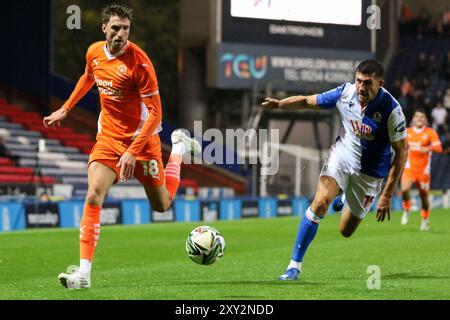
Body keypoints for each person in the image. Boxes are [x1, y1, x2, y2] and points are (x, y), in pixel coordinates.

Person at [43, 4, 201, 289]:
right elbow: (88, 77)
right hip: (108, 139)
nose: (120, 33)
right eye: (115, 27)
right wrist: (66, 108)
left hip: (142, 141)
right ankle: (84, 275)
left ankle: (177, 150)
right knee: (93, 194)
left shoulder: (139, 63)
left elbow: (156, 114)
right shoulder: (94, 51)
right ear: (104, 28)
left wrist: (132, 151)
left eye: (125, 28)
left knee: (162, 205)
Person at [262, 60, 407, 281]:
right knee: (320, 203)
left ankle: (343, 200)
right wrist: (280, 104)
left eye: (367, 83)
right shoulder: (344, 93)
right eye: (358, 80)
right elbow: (308, 101)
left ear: (380, 83)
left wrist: (386, 195)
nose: (361, 87)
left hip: (370, 174)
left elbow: (401, 153)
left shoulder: (392, 110)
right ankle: (294, 266)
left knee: (345, 231)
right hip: (342, 155)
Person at [400, 109, 442, 230]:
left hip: (423, 171)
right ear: (413, 118)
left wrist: (428, 148)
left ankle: (425, 219)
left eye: (422, 117)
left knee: (424, 197)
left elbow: (438, 147)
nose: (419, 118)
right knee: (404, 189)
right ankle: (407, 208)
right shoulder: (407, 132)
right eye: (417, 116)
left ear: (425, 119)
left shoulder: (430, 132)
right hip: (410, 168)